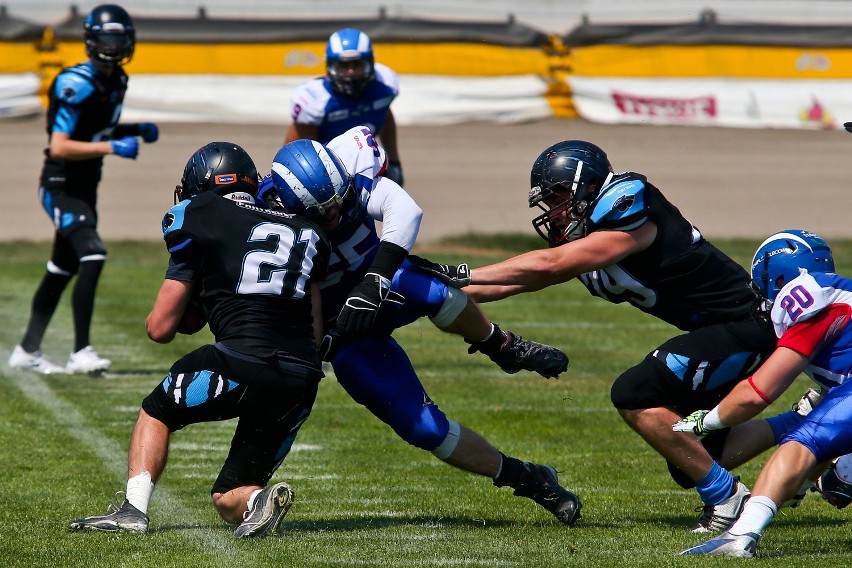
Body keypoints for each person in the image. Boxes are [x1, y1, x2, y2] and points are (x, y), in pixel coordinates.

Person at [409, 140, 782, 532]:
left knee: (635, 394)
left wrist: (460, 271)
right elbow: (515, 283)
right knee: (693, 458)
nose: (551, 209)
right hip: (721, 330)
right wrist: (423, 294)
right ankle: (804, 423)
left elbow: (550, 266)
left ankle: (727, 499)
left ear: (586, 185)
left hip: (745, 324)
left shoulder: (627, 203)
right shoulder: (588, 233)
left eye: (557, 195)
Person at [258, 125, 581, 525]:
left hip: (383, 283)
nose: (334, 214)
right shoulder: (270, 217)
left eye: (338, 201)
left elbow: (406, 210)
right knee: (425, 429)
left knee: (432, 292)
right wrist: (318, 339)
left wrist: (375, 278)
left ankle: (501, 345)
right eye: (321, 212)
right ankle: (528, 479)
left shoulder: (346, 176)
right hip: (343, 332)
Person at [69, 142, 331, 537]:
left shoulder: (198, 214)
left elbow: (160, 329)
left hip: (240, 361)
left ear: (202, 183)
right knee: (229, 499)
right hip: (300, 376)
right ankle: (259, 501)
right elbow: (314, 328)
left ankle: (132, 510)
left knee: (157, 411)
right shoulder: (308, 230)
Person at [675, 230, 852, 557]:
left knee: (803, 442)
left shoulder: (810, 300)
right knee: (827, 457)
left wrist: (709, 421)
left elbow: (758, 392)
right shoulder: (842, 291)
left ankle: (739, 536)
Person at [9, 4, 159, 376]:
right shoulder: (75, 83)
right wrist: (113, 147)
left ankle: (27, 350)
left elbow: (98, 130)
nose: (114, 46)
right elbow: (60, 145)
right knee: (92, 254)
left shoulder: (117, 80)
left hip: (86, 185)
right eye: (108, 38)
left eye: (120, 38)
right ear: (92, 41)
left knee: (61, 267)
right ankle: (81, 351)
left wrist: (134, 129)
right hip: (61, 184)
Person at [285, 27, 404, 185]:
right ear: (330, 66)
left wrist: (394, 161)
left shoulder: (385, 86)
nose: (351, 72)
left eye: (357, 65)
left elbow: (385, 118)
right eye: (344, 66)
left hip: (365, 167)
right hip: (323, 175)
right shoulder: (314, 100)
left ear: (370, 63)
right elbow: (296, 151)